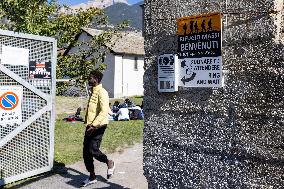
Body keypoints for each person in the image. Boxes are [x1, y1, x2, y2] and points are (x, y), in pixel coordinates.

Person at [82, 70, 115, 187]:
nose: (88, 80)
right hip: (90, 126)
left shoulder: (102, 92)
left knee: (92, 149)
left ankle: (109, 162)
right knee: (86, 152)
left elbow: (104, 111)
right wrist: (88, 123)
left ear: (96, 79)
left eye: (90, 78)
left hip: (99, 125)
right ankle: (92, 177)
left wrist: (94, 125)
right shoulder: (92, 92)